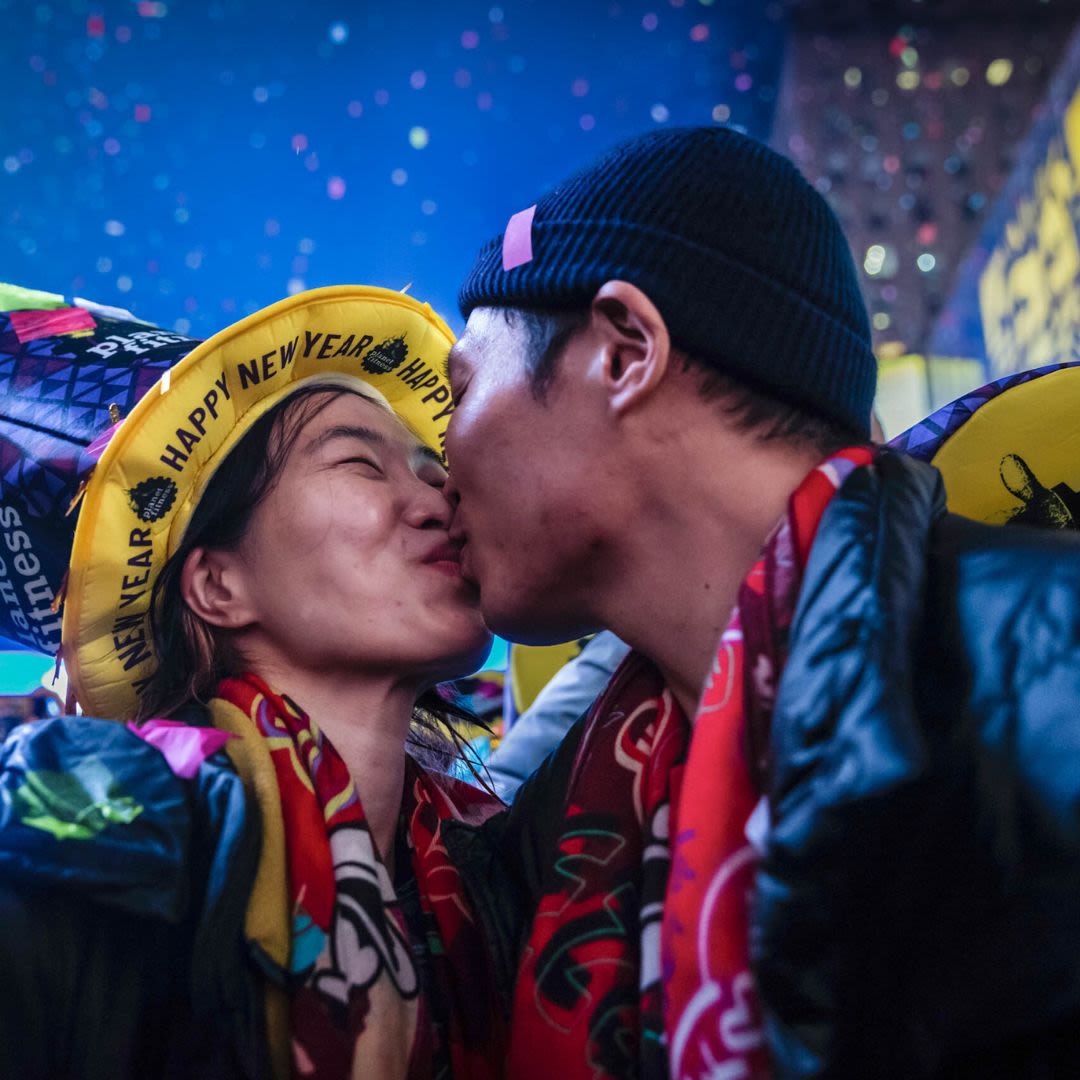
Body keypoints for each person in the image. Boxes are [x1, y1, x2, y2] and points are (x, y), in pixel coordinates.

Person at [442, 126, 1080, 1078]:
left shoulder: (1045, 676)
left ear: (624, 355)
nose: (437, 462)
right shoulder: (547, 834)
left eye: (457, 392)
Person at [0, 286, 508, 1080]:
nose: (438, 501)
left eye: (432, 467)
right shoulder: (87, 829)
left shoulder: (506, 866)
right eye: (359, 462)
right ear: (218, 587)